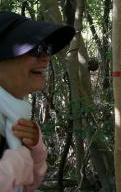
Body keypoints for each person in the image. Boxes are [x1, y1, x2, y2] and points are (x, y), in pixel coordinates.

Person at [0, 11, 75, 192]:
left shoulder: (13, 115)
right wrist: (17, 162)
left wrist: (35, 146)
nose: (46, 57)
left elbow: (31, 183)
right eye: (36, 48)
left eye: (47, 48)